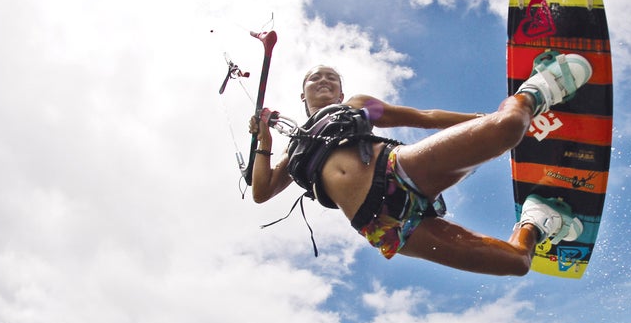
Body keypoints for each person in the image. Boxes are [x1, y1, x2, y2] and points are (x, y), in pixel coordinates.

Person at [248, 52, 592, 276]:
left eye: (331, 78)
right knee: (516, 262)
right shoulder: (294, 150)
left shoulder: (356, 105)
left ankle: (536, 90)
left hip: (397, 170)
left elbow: (423, 117)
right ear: (302, 93)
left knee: (507, 128)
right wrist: (264, 141)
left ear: (340, 93)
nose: (322, 81)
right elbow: (261, 192)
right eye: (314, 78)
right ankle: (537, 220)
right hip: (383, 226)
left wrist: (482, 120)